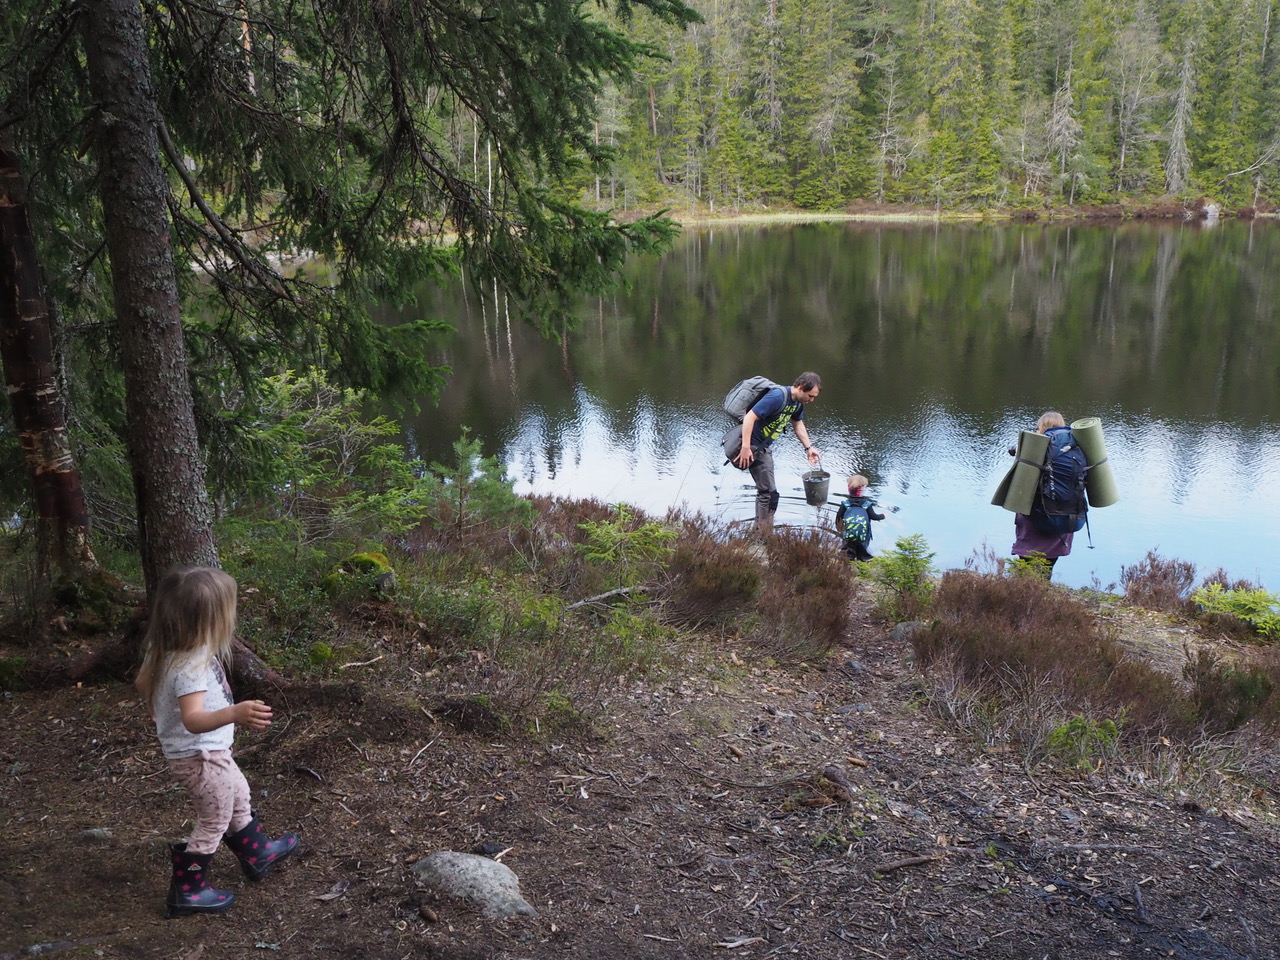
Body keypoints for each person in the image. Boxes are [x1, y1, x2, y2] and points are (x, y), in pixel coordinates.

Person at [135, 566, 299, 917]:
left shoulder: (165, 648)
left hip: (211, 754)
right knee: (214, 819)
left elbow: (141, 681)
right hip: (200, 758)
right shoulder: (188, 666)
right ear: (208, 619)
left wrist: (156, 710)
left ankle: (258, 853)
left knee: (239, 794)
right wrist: (235, 713)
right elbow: (193, 720)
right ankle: (187, 891)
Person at [733, 372, 822, 535]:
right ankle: (762, 535)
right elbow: (749, 418)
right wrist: (746, 447)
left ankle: (764, 530)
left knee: (769, 492)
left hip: (764, 448)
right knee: (768, 492)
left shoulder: (797, 403)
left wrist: (809, 448)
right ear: (801, 388)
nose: (812, 400)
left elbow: (798, 424)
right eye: (810, 396)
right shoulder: (777, 397)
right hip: (753, 445)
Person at [1010, 411, 1075, 579]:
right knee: (1047, 568)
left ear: (1042, 428)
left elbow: (1021, 483)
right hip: (1065, 518)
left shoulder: (1036, 448)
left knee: (1025, 567)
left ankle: (1024, 598)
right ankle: (1042, 596)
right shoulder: (1075, 448)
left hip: (1035, 518)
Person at [836, 474, 885, 561]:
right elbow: (874, 516)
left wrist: (840, 529)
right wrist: (882, 516)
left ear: (849, 489)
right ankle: (862, 558)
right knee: (862, 549)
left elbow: (838, 518)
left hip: (848, 533)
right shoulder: (866, 504)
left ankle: (848, 560)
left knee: (848, 550)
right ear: (863, 490)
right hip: (863, 535)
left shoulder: (845, 504)